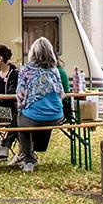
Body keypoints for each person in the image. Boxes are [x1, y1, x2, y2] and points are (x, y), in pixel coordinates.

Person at [14, 37, 65, 173]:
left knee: (21, 120)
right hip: (57, 116)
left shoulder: (25, 70)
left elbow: (20, 95)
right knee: (35, 115)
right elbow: (61, 93)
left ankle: (29, 159)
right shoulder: (55, 71)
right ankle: (30, 153)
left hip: (34, 118)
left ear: (32, 53)